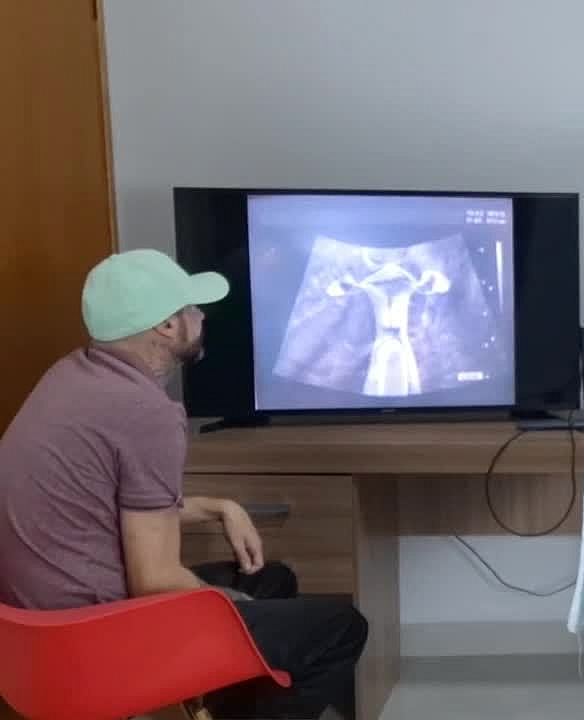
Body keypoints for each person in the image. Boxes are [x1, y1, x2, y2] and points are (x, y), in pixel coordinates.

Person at [0, 249, 368, 720]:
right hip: (90, 642)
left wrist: (218, 506)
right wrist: (231, 608)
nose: (202, 317)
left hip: (30, 647)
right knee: (342, 628)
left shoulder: (71, 377)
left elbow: (107, 505)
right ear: (168, 326)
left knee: (272, 580)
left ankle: (218, 699)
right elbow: (154, 581)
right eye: (193, 308)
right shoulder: (146, 412)